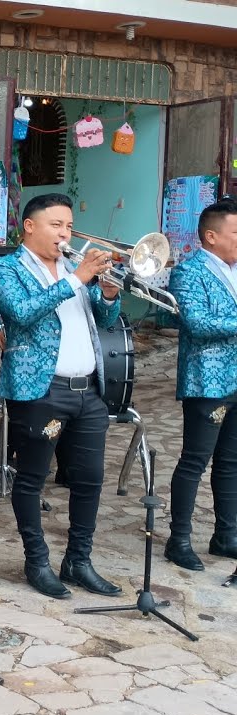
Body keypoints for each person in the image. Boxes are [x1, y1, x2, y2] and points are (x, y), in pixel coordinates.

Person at [0, 192, 122, 599]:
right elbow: (22, 313)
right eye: (56, 225)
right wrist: (77, 278)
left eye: (68, 226)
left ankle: (79, 561)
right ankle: (37, 561)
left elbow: (106, 319)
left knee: (90, 480)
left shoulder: (70, 268)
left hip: (88, 390)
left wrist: (109, 294)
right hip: (41, 389)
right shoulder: (5, 267)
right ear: (30, 226)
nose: (65, 234)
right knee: (32, 479)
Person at [164, 198, 237, 570]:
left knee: (231, 462)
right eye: (236, 233)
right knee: (195, 460)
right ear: (211, 236)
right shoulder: (189, 272)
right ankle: (178, 540)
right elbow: (197, 323)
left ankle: (226, 535)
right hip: (207, 380)